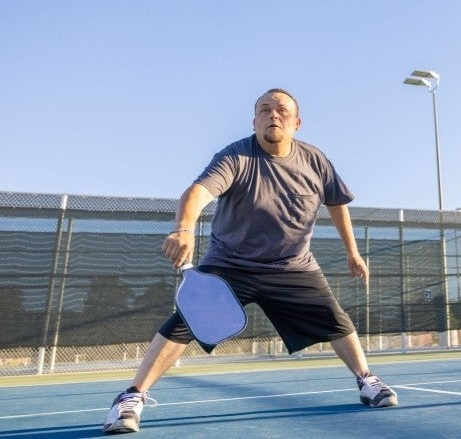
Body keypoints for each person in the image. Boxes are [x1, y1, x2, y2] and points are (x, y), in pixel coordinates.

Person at [103, 88, 398, 434]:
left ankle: (367, 381)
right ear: (254, 120)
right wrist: (183, 228)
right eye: (264, 110)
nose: (273, 115)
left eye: (282, 110)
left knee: (335, 319)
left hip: (293, 265)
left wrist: (352, 251)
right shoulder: (235, 156)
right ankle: (131, 397)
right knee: (184, 322)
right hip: (231, 263)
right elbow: (199, 191)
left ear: (297, 123)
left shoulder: (316, 161)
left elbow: (336, 203)